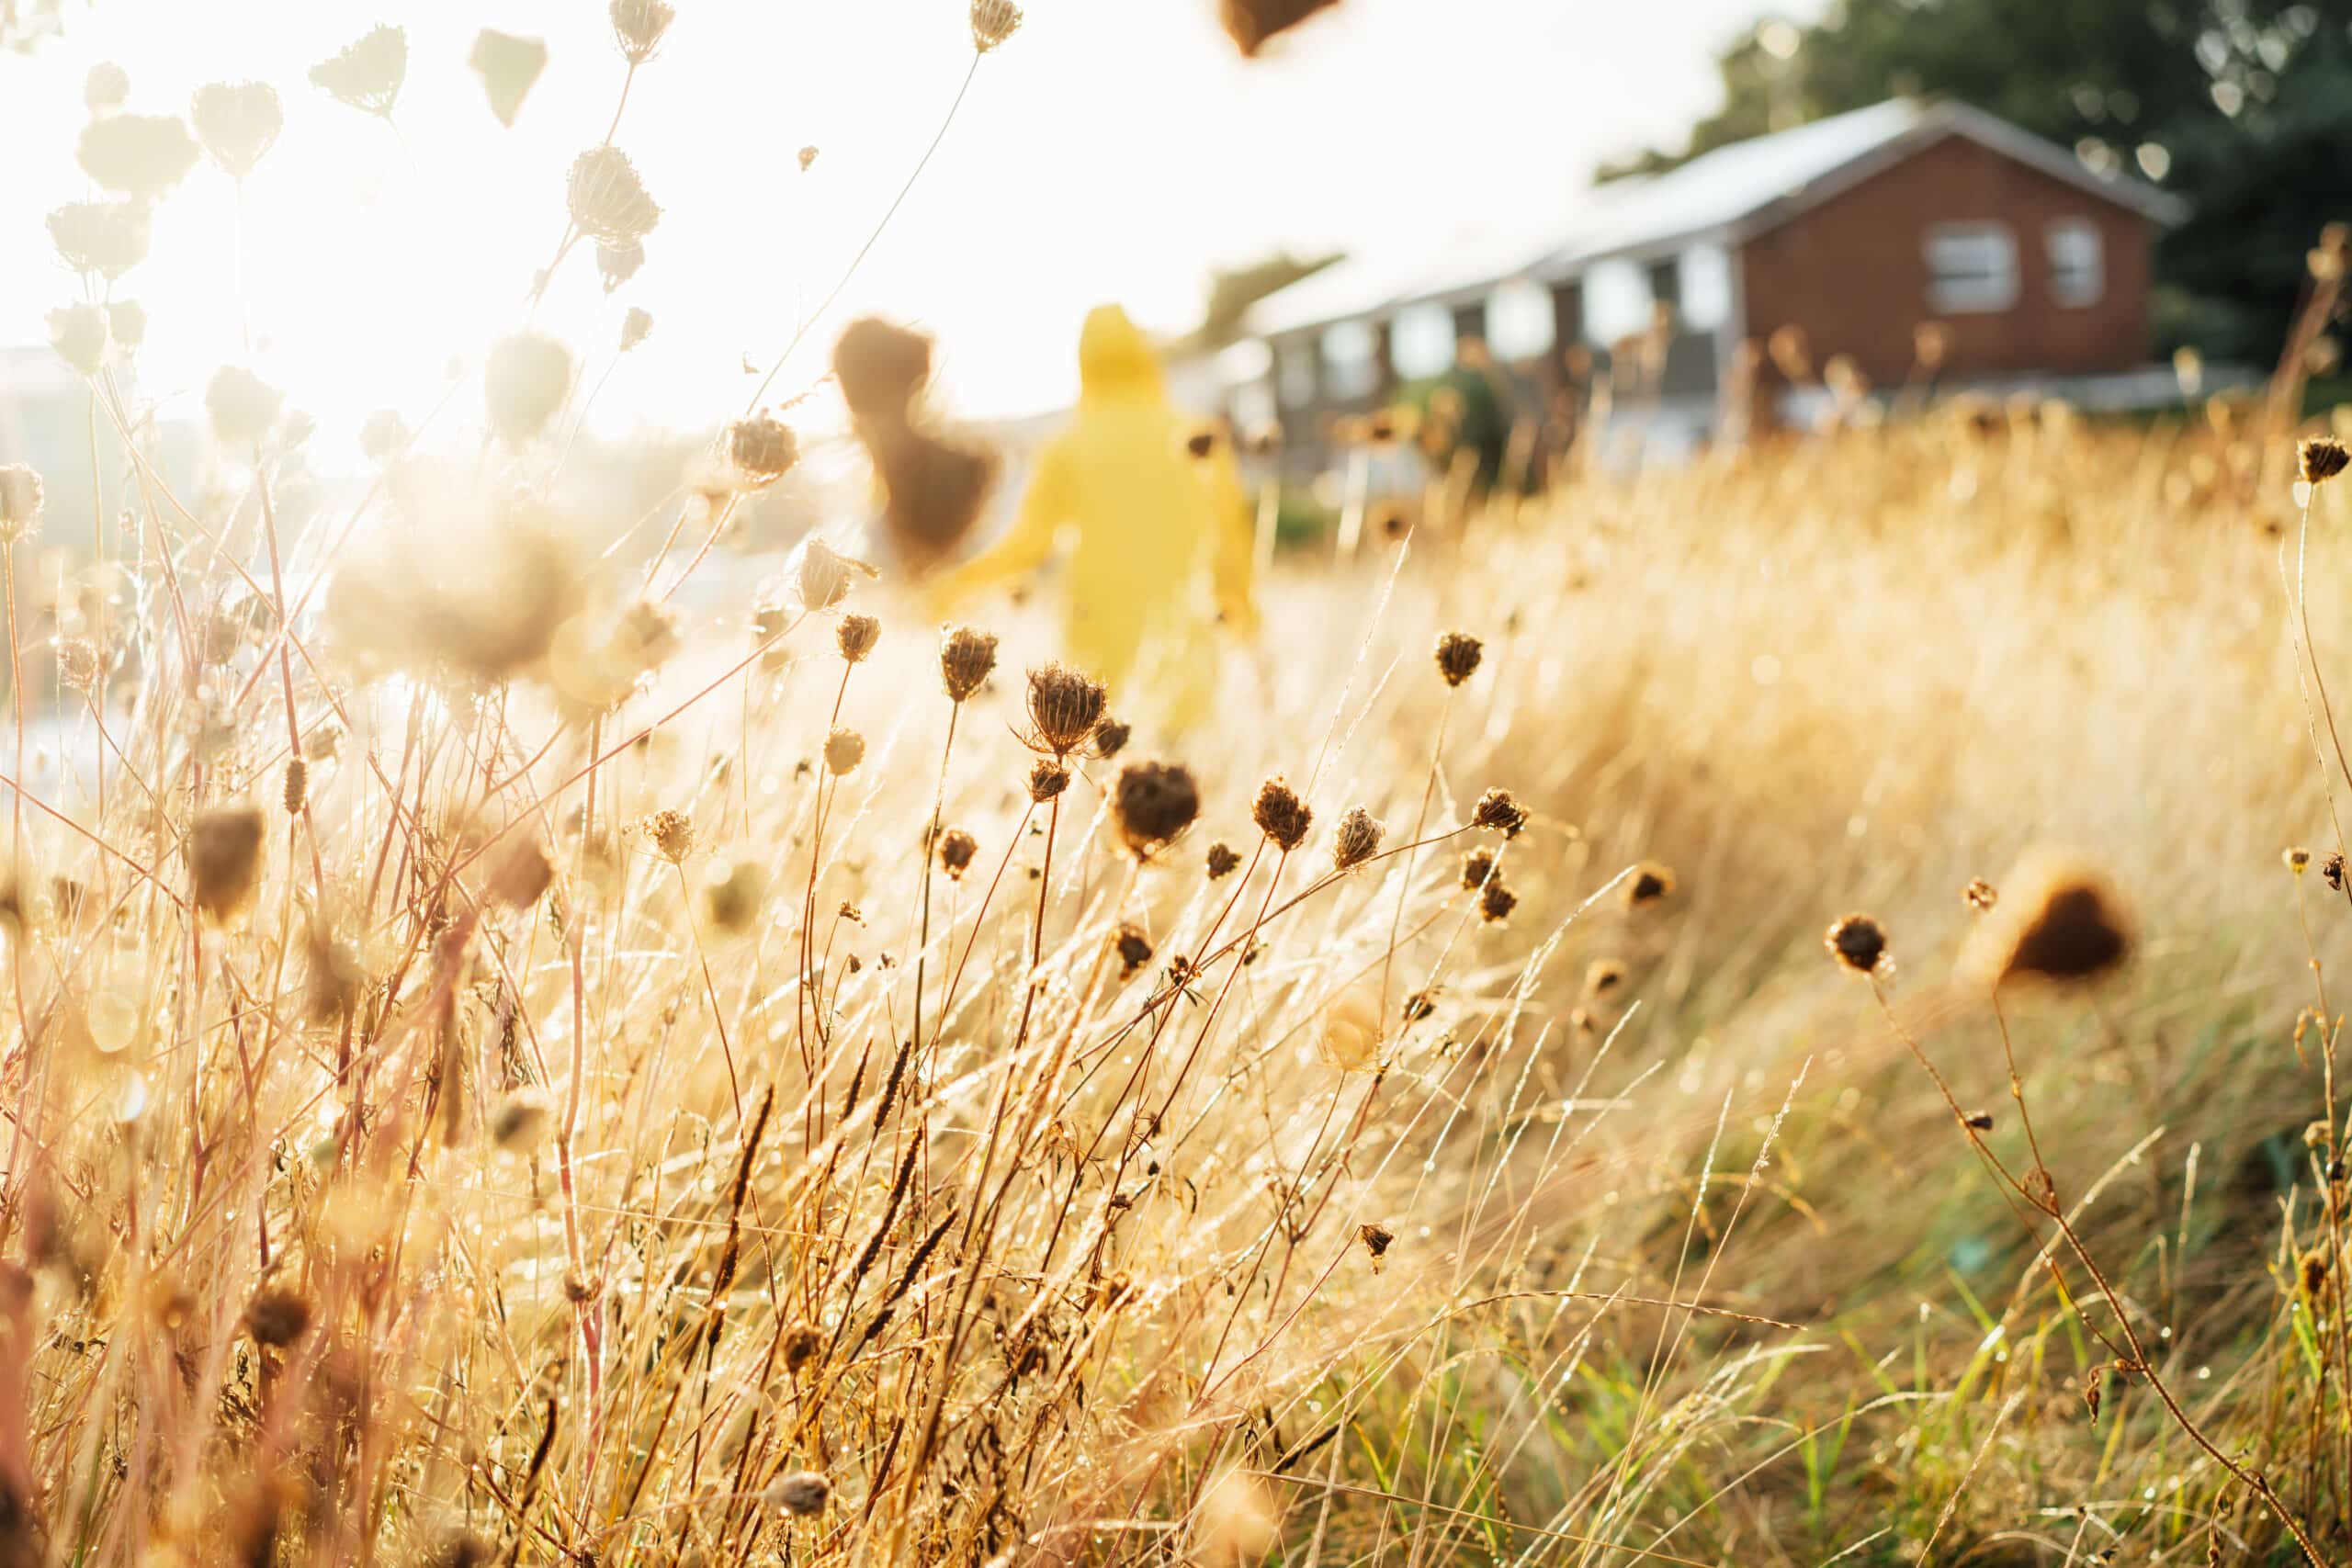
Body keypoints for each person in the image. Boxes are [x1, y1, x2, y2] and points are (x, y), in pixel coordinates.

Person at [928, 304, 1257, 728]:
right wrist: (1244, 614)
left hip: (1098, 644)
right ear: (1145, 357)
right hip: (1185, 636)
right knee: (1179, 780)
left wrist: (955, 587)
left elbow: (1028, 544)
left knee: (1104, 776)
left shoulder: (1066, 447)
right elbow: (1232, 534)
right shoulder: (1199, 437)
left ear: (1083, 364)